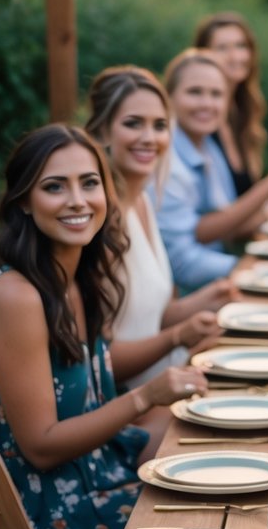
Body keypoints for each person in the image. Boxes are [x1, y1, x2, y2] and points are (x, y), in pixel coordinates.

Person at [0, 124, 207, 529]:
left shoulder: (78, 273)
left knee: (208, 435)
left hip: (95, 468)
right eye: (54, 186)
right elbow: (40, 446)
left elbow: (93, 364)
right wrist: (146, 395)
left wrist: (178, 340)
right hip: (36, 521)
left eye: (89, 182)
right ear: (23, 201)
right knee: (200, 515)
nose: (77, 200)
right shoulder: (15, 295)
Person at [86, 66, 234, 397]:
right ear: (102, 131)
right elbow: (100, 364)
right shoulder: (98, 222)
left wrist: (211, 299)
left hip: (174, 379)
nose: (149, 138)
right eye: (133, 123)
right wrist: (179, 336)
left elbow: (157, 316)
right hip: (129, 403)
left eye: (160, 126)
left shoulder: (141, 203)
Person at [157, 49, 268, 290]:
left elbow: (229, 220)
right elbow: (182, 262)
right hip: (189, 298)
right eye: (194, 92)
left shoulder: (208, 147)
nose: (207, 103)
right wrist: (247, 269)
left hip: (216, 281)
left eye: (216, 94)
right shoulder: (166, 160)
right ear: (169, 98)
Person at [193, 11, 267, 195]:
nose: (235, 56)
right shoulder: (199, 116)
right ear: (203, 55)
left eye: (241, 46)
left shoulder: (242, 112)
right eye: (222, 48)